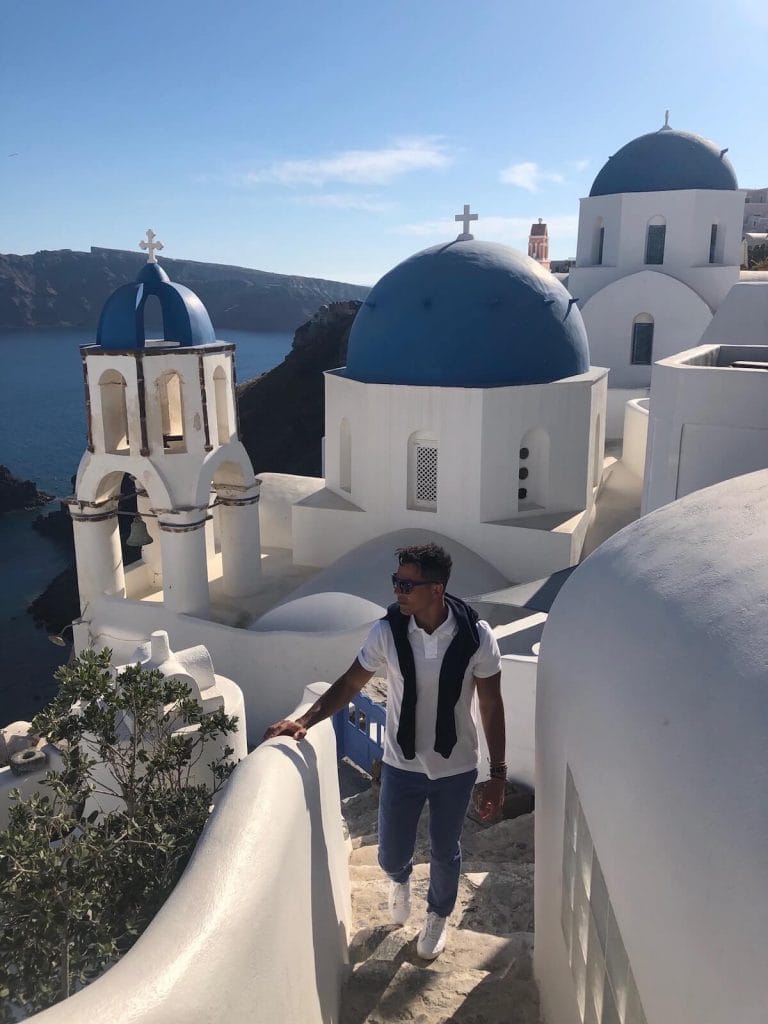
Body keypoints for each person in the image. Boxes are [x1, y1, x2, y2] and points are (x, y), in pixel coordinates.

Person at [263, 542, 506, 959]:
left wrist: (498, 774)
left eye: (407, 584)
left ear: (436, 588)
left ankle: (437, 915)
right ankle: (400, 881)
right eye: (396, 582)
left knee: (446, 848)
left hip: (456, 765)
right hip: (401, 762)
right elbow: (350, 683)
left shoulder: (476, 637)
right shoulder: (387, 632)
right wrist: (304, 722)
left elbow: (490, 703)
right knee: (391, 851)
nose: (398, 591)